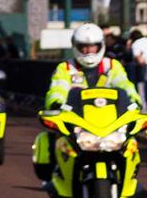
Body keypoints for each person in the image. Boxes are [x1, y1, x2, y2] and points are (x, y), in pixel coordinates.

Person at [33, 23, 141, 186]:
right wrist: (56, 103)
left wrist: (135, 100)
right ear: (76, 47)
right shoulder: (66, 68)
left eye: (92, 47)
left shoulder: (112, 66)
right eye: (84, 47)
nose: (88, 51)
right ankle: (56, 180)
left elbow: (125, 85)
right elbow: (57, 89)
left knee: (129, 142)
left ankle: (127, 182)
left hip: (108, 120)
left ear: (100, 46)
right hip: (78, 120)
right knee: (57, 139)